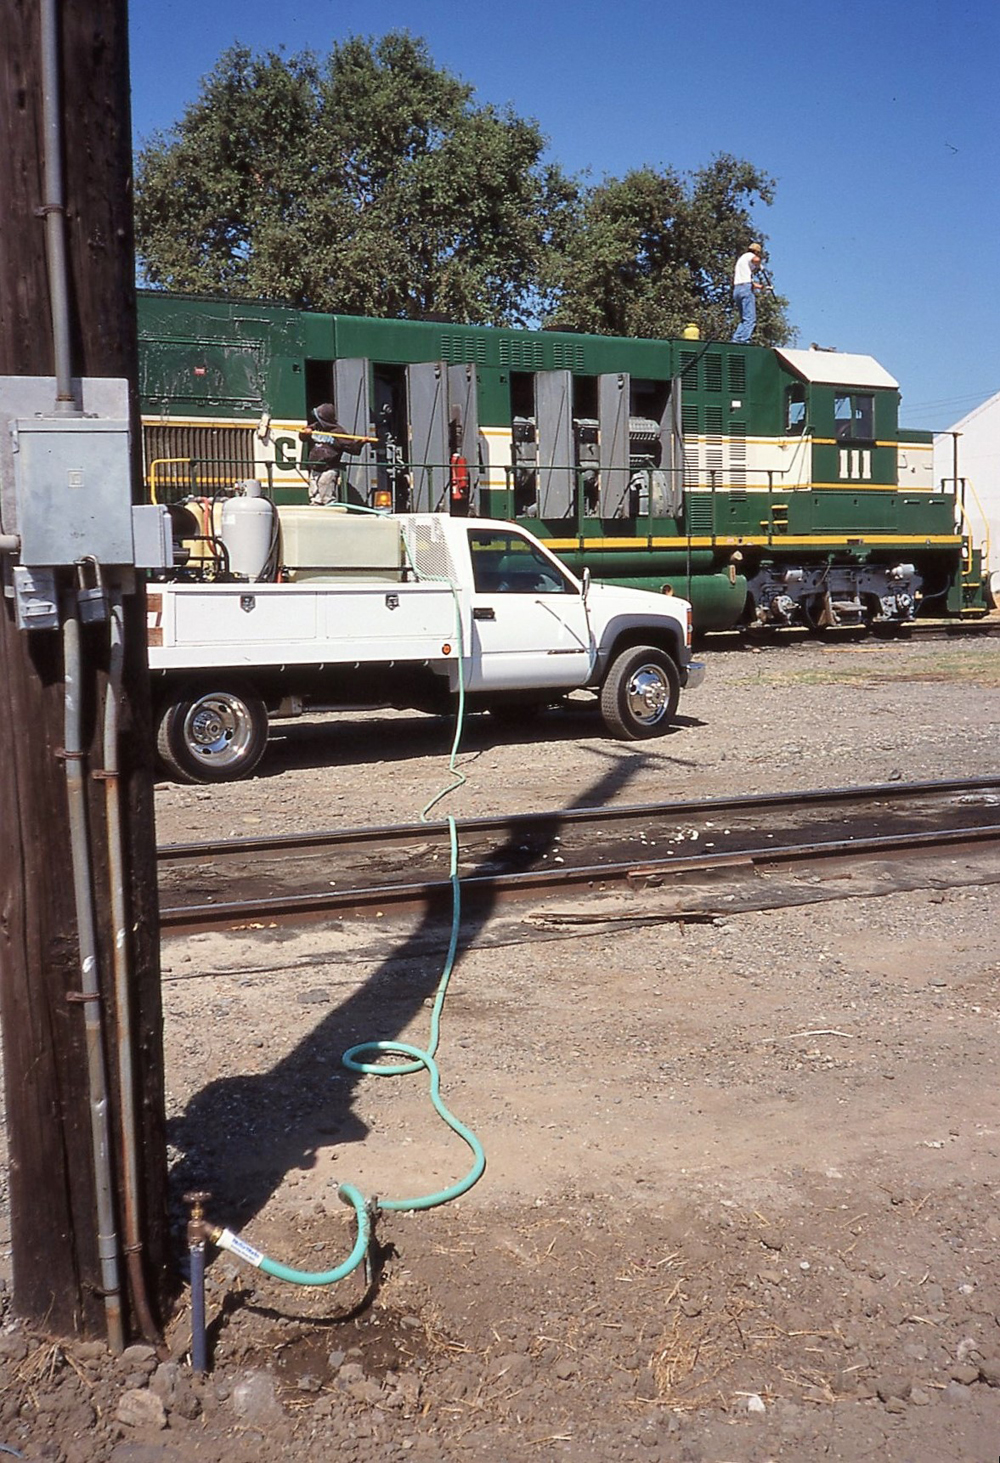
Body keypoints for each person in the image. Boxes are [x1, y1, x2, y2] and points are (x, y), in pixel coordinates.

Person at [298, 403, 370, 504]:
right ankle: (316, 508)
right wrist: (304, 432)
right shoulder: (315, 427)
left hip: (329, 468)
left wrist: (361, 442)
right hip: (315, 468)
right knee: (314, 495)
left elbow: (353, 449)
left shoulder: (338, 432)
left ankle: (328, 508)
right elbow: (303, 438)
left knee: (326, 495)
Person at [731, 242, 763, 344]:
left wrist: (760, 287)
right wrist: (760, 265)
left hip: (737, 289)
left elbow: (746, 281)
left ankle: (736, 339)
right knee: (750, 319)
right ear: (756, 251)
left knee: (744, 319)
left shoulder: (741, 261)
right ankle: (744, 340)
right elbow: (756, 260)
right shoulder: (750, 256)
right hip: (745, 289)